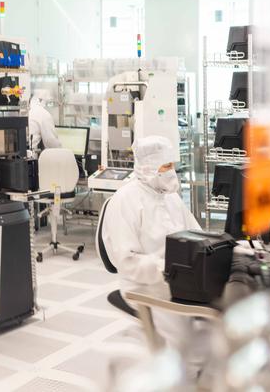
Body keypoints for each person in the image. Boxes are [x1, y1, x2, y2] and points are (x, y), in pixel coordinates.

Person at [101, 135, 207, 379]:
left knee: (215, 321)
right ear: (148, 167)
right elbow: (126, 261)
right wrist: (166, 269)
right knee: (186, 340)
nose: (172, 172)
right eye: (166, 166)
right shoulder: (125, 201)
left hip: (179, 278)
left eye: (172, 165)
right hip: (144, 285)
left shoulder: (170, 196)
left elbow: (198, 235)